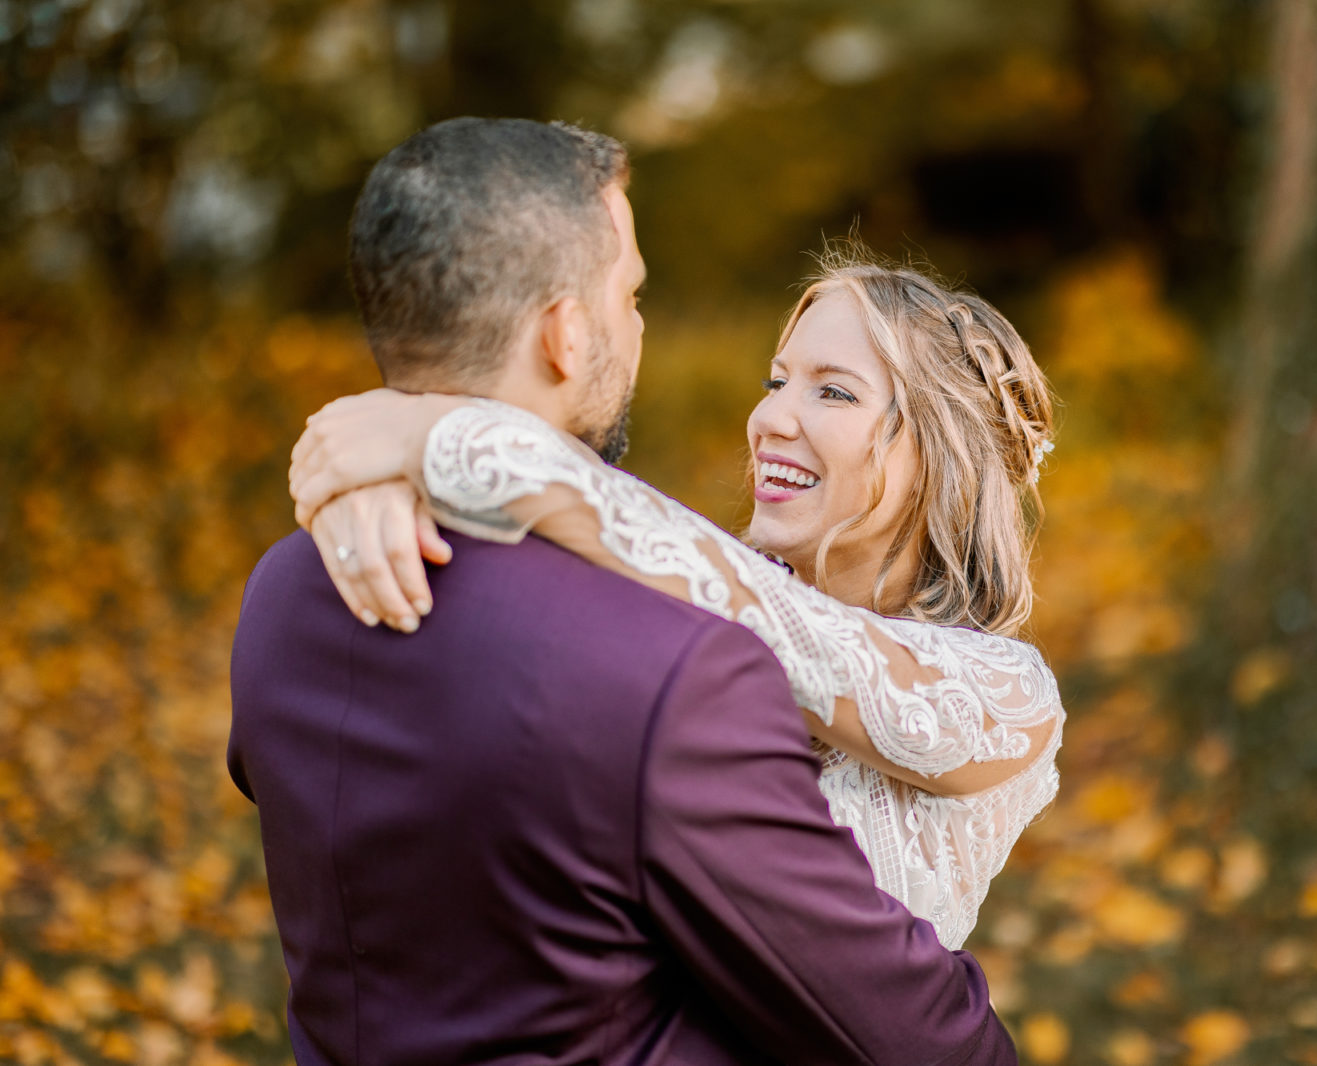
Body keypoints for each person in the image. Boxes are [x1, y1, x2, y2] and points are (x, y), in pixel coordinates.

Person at [229, 116, 1017, 1066]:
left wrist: (411, 430)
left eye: (832, 392)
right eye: (632, 295)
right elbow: (912, 1035)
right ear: (566, 335)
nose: (771, 416)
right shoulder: (675, 671)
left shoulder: (284, 594)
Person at [288, 229, 1066, 952]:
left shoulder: (1006, 696)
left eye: (833, 393)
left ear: (945, 454)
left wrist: (433, 437)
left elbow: (787, 632)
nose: (770, 418)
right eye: (777, 380)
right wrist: (384, 477)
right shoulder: (697, 584)